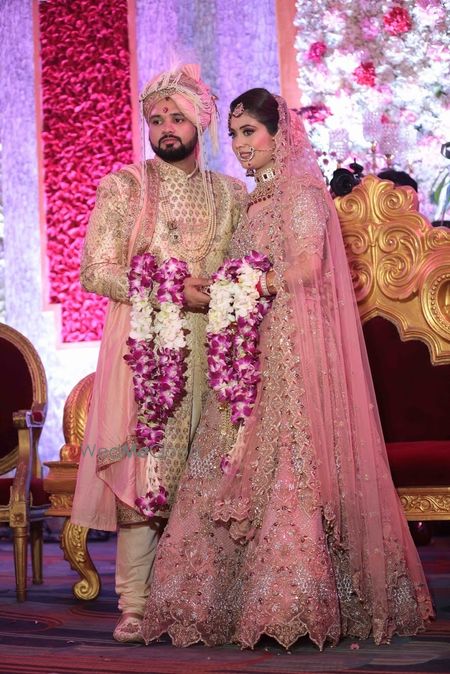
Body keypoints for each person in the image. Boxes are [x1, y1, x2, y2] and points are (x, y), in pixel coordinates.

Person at [141, 89, 434, 650]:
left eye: (249, 131)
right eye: (234, 134)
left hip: (291, 351)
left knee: (287, 463)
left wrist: (249, 285)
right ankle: (219, 602)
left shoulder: (301, 192)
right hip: (248, 350)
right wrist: (225, 290)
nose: (239, 144)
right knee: (230, 461)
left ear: (280, 135)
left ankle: (292, 601)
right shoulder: (255, 202)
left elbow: (306, 267)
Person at [70, 64, 246, 643]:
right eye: (156, 119)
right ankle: (136, 605)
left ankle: (199, 600)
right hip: (143, 349)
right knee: (146, 470)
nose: (166, 128)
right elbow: (96, 270)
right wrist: (170, 288)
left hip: (217, 349)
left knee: (209, 472)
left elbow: (245, 270)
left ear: (202, 124)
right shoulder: (125, 186)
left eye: (177, 118)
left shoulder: (231, 194)